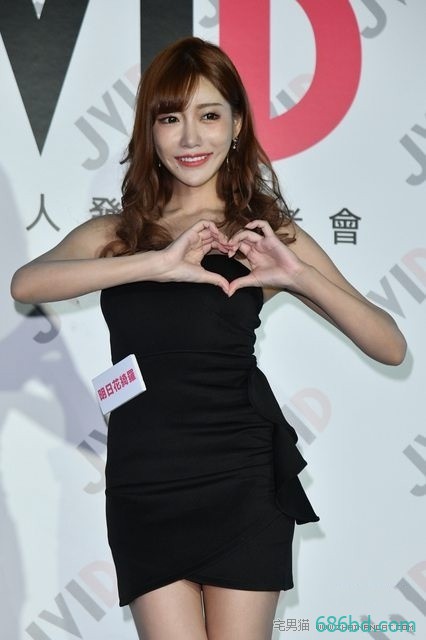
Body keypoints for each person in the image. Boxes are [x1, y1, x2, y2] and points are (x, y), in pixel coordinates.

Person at [11, 37, 406, 640]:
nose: (190, 137)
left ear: (237, 124)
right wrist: (156, 263)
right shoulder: (118, 233)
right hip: (147, 482)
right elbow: (27, 283)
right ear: (150, 131)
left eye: (209, 115)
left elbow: (390, 346)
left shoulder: (264, 236)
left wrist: (298, 278)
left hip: (241, 475)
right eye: (171, 118)